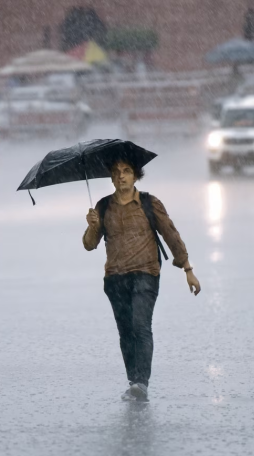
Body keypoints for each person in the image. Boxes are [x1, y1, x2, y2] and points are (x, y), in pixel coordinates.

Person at [83, 158, 201, 401]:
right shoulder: (103, 207)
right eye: (116, 173)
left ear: (136, 176)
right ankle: (133, 380)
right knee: (125, 330)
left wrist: (187, 268)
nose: (121, 176)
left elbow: (171, 234)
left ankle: (141, 382)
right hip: (115, 278)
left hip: (146, 274)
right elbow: (89, 244)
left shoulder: (149, 203)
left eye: (126, 171)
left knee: (140, 325)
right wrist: (92, 226)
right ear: (112, 178)